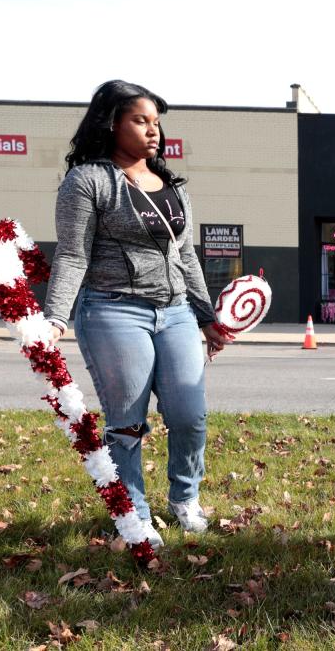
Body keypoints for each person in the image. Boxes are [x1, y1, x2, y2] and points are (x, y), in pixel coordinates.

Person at [43, 80, 228, 548]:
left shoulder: (173, 188)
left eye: (157, 123)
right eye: (140, 121)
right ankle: (135, 515)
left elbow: (187, 259)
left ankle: (185, 499)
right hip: (114, 310)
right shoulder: (87, 181)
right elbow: (72, 255)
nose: (153, 132)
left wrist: (206, 315)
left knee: (190, 416)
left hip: (177, 313)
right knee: (126, 422)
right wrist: (55, 318)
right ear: (111, 123)